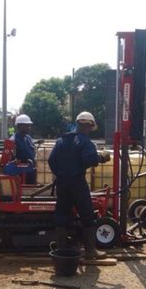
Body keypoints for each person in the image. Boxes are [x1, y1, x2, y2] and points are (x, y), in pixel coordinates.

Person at [49, 111, 111, 259]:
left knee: (62, 215)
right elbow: (88, 159)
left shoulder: (61, 141)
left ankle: (61, 251)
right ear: (89, 126)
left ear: (77, 124)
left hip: (62, 183)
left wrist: (61, 173)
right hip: (77, 183)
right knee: (87, 214)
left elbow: (51, 160)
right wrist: (101, 157)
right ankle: (90, 251)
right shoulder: (85, 142)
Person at [10, 114, 36, 184]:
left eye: (29, 125)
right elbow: (12, 160)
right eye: (26, 125)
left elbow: (32, 151)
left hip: (31, 172)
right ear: (19, 126)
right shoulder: (13, 140)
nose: (29, 127)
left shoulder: (28, 138)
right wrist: (24, 161)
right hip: (21, 174)